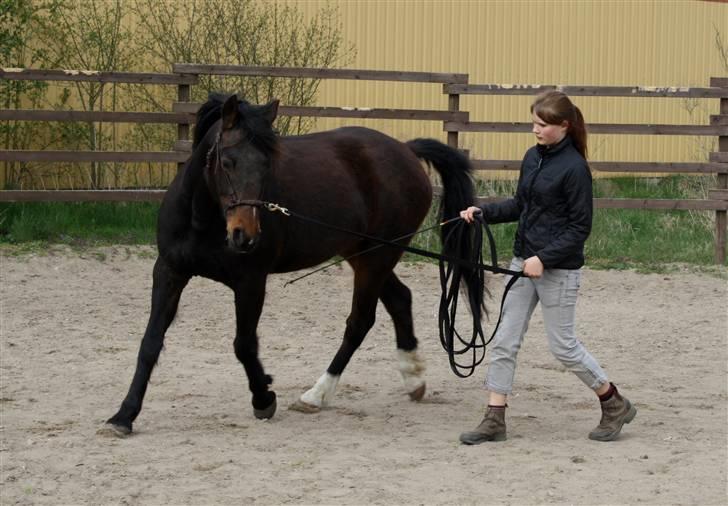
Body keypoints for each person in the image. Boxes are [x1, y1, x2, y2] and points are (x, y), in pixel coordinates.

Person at [458, 90, 636, 444]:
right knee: (505, 341)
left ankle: (613, 401)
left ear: (563, 126)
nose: (535, 130)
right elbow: (520, 206)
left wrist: (544, 258)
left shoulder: (574, 169)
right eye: (534, 123)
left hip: (558, 270)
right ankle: (495, 418)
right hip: (524, 262)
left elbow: (579, 229)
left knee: (563, 347)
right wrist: (483, 213)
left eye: (542, 124)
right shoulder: (533, 158)